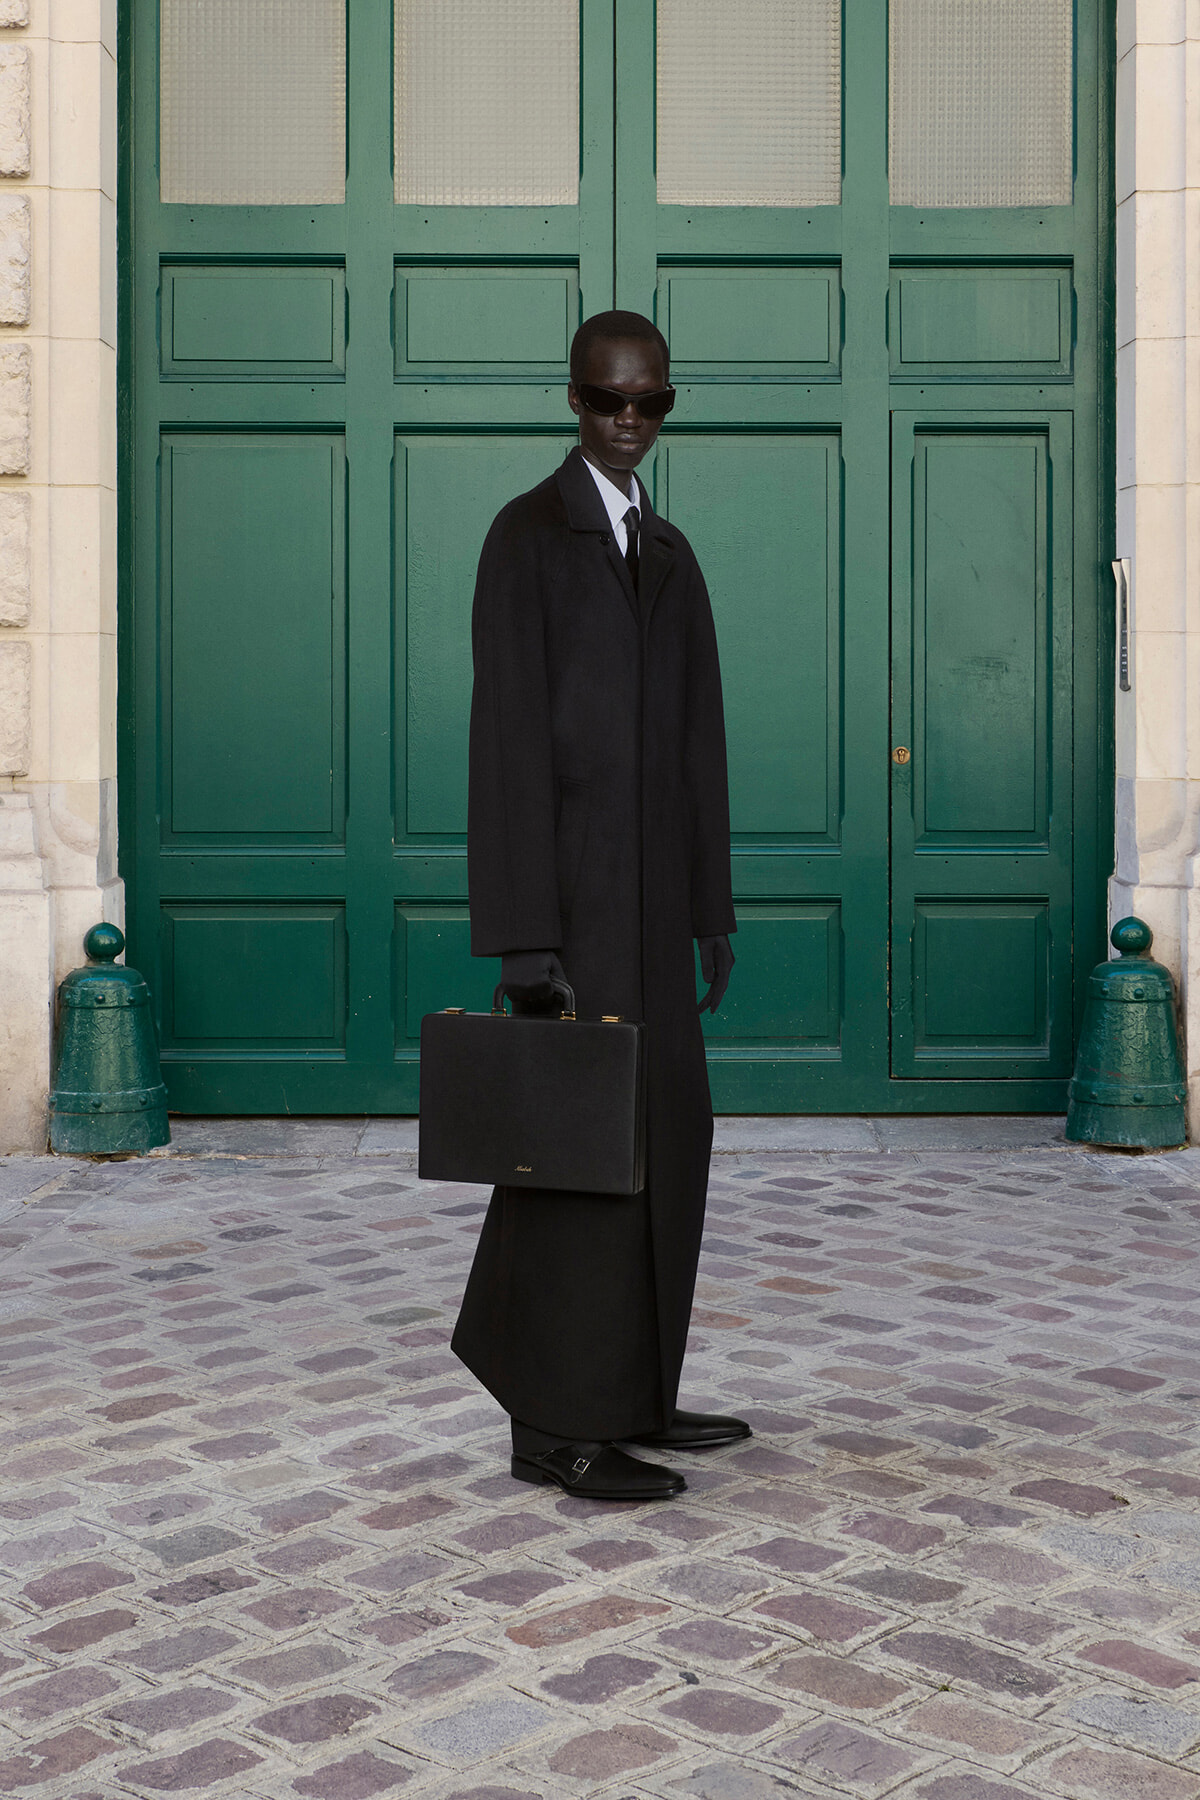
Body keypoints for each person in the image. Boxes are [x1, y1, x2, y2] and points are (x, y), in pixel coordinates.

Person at [451, 310, 747, 1501]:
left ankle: (636, 1394)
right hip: (573, 916)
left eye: (650, 403)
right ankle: (554, 1430)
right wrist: (523, 938)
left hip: (657, 914)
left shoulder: (668, 552)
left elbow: (697, 745)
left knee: (670, 1143)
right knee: (574, 1163)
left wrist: (711, 906)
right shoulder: (525, 537)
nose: (630, 423)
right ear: (574, 399)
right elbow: (506, 746)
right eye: (609, 401)